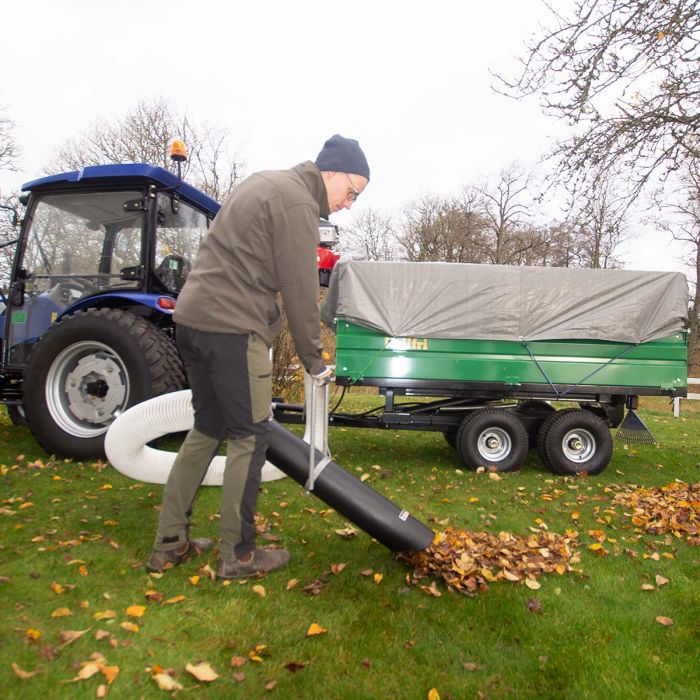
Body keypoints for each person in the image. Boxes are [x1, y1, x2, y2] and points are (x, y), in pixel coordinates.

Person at [147, 134, 370, 579]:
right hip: (232, 327)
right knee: (250, 438)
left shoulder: (264, 183)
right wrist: (314, 359)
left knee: (207, 428)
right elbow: (301, 289)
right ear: (331, 173)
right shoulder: (297, 204)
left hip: (193, 320)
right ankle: (239, 554)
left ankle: (169, 543)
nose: (350, 202)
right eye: (352, 191)